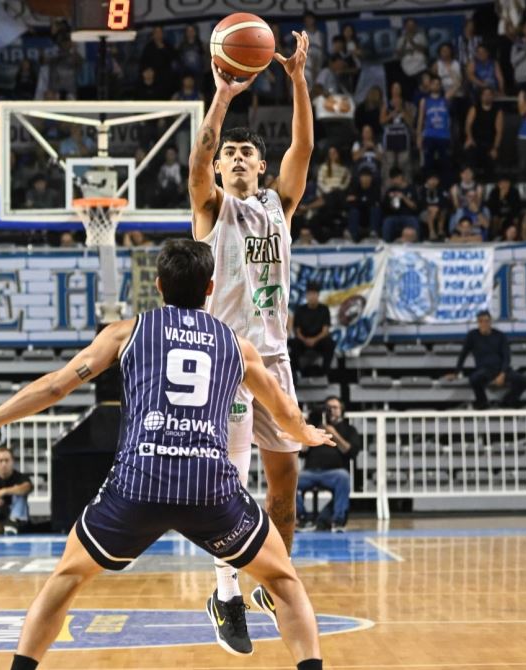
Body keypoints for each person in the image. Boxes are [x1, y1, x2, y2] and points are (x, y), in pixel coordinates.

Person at [0, 240, 330, 669]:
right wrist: (307, 432)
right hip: (209, 488)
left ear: (158, 286)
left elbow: (55, 387)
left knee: (66, 578)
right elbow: (285, 414)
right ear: (210, 288)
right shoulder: (238, 346)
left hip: (138, 485)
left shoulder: (126, 332)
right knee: (284, 582)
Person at [185, 35, 315, 656]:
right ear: (219, 168)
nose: (236, 158)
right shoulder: (209, 208)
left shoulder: (278, 207)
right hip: (226, 362)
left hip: (275, 358)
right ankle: (226, 593)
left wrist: (297, 80)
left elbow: (303, 148)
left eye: (246, 153)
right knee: (231, 484)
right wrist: (222, 97)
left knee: (284, 484)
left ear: (261, 167)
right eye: (229, 153)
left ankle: (271, 574)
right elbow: (198, 158)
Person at [296, 397, 360, 532]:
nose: (331, 411)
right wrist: (307, 432)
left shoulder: (349, 429)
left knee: (344, 477)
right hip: (311, 472)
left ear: (342, 410)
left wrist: (333, 434)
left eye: (335, 407)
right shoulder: (315, 427)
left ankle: (338, 521)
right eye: (328, 408)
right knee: (291, 479)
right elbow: (302, 452)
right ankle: (302, 518)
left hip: (334, 473)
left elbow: (351, 451)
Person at [448, 311, 526, 409]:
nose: (484, 324)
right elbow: (463, 355)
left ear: (490, 322)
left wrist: (502, 374)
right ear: (478, 323)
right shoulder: (472, 336)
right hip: (484, 370)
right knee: (474, 379)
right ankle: (483, 404)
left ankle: (506, 402)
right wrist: (456, 373)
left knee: (525, 381)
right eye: (481, 321)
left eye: (486, 321)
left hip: (501, 370)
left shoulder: (500, 335)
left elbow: (506, 357)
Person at [289, 284, 335, 376]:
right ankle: (298, 372)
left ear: (318, 295)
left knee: (330, 343)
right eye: (310, 294)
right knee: (293, 344)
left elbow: (325, 331)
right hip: (303, 340)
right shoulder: (300, 310)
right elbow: (297, 331)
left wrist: (314, 340)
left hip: (319, 340)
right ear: (306, 295)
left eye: (314, 294)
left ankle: (325, 372)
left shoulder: (324, 309)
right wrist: (305, 340)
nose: (312, 296)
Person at [464, 86, 503, 181]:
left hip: (489, 143)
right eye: (485, 94)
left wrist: (495, 148)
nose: (487, 97)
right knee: (469, 158)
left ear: (492, 96)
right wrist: (469, 138)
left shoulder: (497, 111)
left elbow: (499, 131)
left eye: (489, 94)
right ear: (481, 96)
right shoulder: (474, 108)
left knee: (491, 164)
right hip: (475, 142)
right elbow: (468, 125)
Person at [418, 74, 453, 180]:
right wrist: (419, 137)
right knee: (428, 164)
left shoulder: (446, 99)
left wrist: (450, 71)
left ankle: (445, 186)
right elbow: (420, 120)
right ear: (429, 85)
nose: (436, 86)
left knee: (445, 164)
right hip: (429, 135)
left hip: (444, 136)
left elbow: (457, 84)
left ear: (440, 86)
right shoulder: (424, 101)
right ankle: (428, 185)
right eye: (433, 83)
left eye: (438, 84)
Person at [345, 169, 382, 241]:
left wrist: (357, 199)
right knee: (353, 211)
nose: (365, 179)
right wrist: (364, 200)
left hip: (370, 215)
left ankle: (373, 233)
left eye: (368, 177)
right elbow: (350, 203)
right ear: (360, 178)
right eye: (363, 177)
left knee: (376, 209)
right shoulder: (355, 188)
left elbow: (375, 202)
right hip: (359, 215)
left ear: (371, 178)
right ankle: (353, 236)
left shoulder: (375, 188)